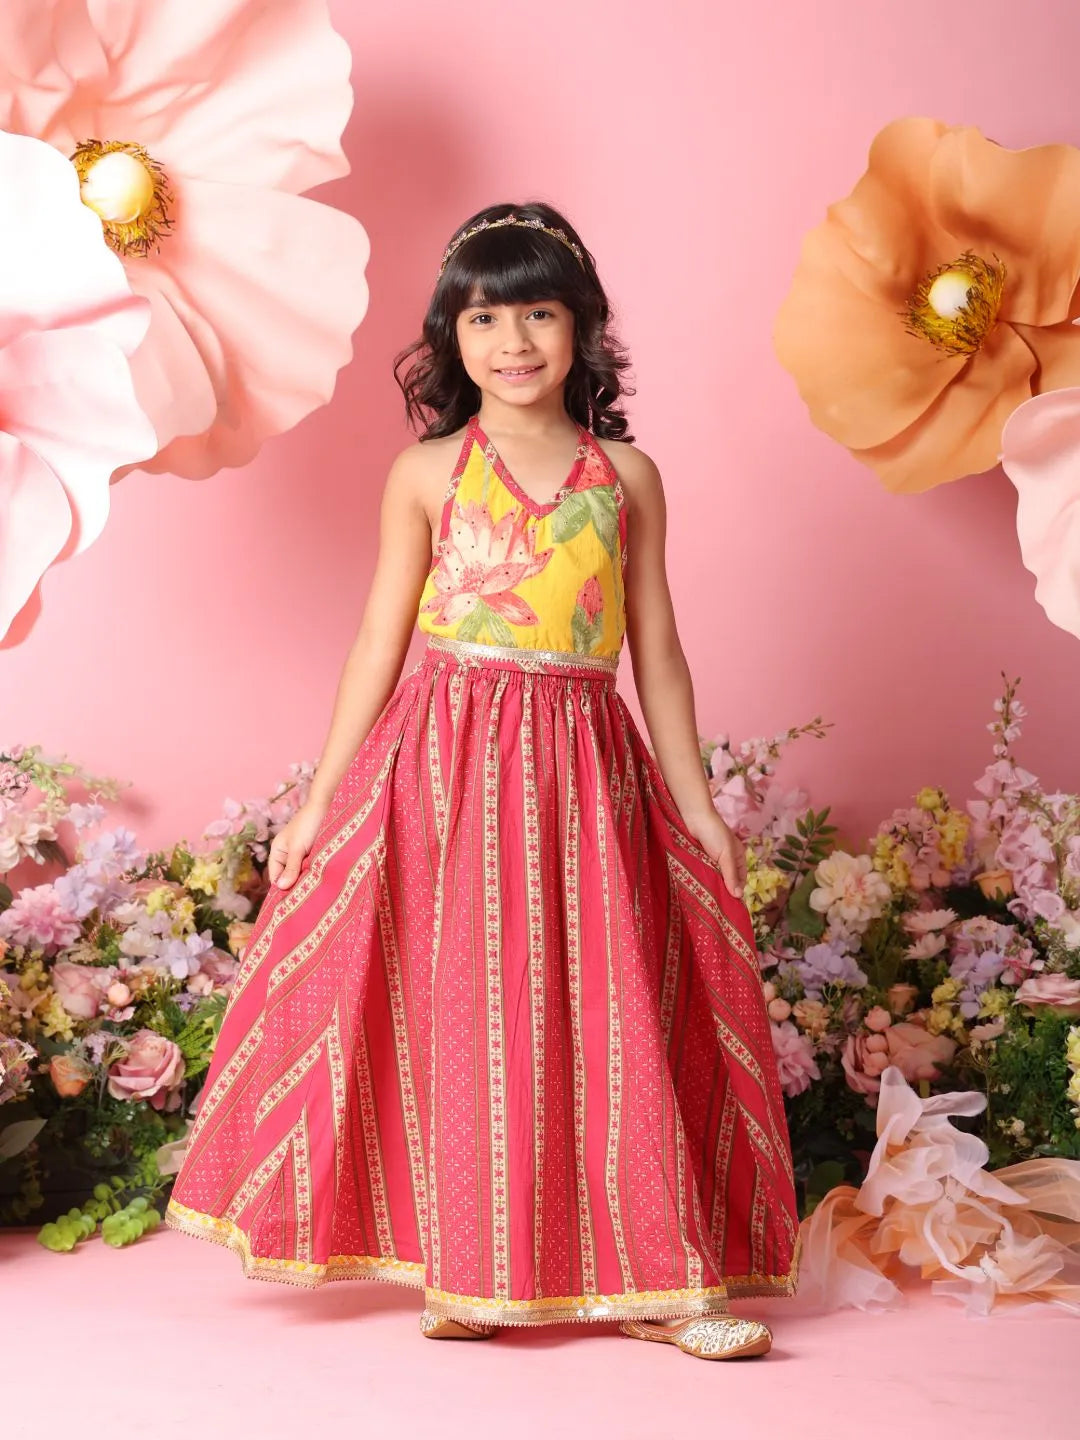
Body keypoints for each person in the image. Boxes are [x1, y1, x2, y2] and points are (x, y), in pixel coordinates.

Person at [165, 201, 800, 1360]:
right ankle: (466, 1271)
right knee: (458, 1013)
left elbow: (656, 647)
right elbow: (377, 639)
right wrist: (319, 799)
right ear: (451, 337)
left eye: (540, 313)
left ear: (584, 329)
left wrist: (700, 805)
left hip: (582, 764)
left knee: (603, 1009)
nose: (514, 341)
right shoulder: (425, 473)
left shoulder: (630, 477)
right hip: (446, 765)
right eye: (486, 315)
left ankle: (659, 1277)